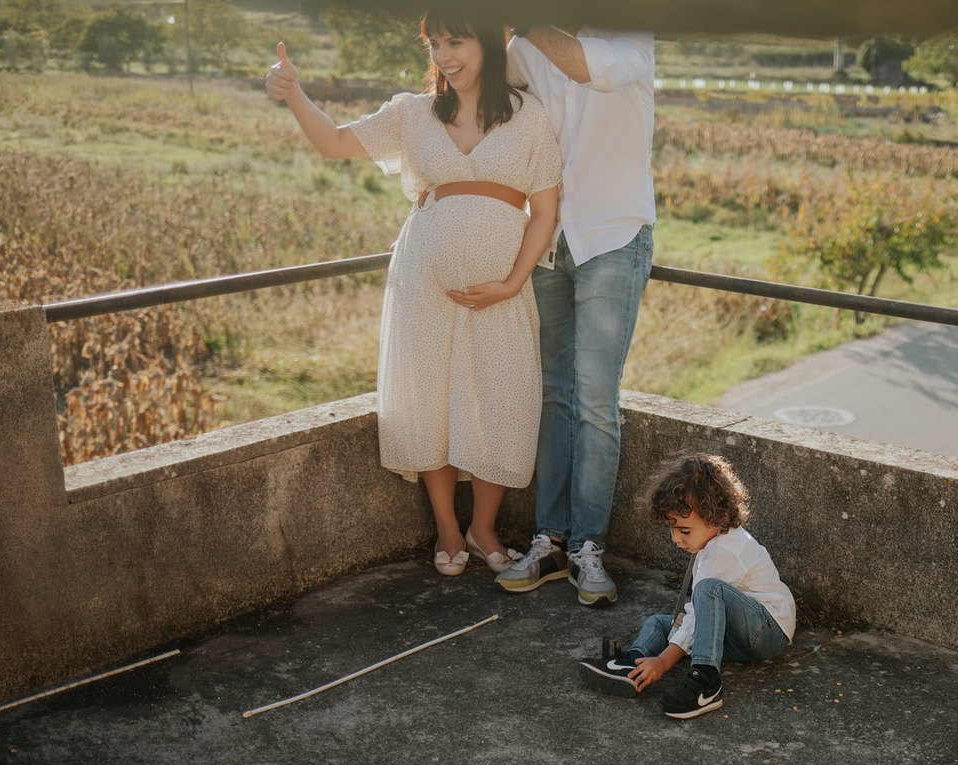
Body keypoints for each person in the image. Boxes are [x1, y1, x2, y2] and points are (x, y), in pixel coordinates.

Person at [265, 13, 561, 577]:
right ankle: (449, 528)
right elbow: (332, 143)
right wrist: (295, 92)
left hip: (502, 290)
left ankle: (482, 528)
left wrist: (512, 282)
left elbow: (544, 211)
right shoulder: (413, 113)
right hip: (424, 282)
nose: (445, 54)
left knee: (502, 396)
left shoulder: (530, 118)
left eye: (457, 41)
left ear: (491, 43)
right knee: (431, 397)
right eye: (435, 43)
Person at [494, 26, 656, 607]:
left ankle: (589, 547)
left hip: (614, 235)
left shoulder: (632, 36)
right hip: (551, 239)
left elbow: (593, 68)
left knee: (593, 397)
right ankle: (550, 541)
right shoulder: (522, 50)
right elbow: (479, 94)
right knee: (554, 393)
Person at [578, 454, 796, 719]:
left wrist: (665, 661)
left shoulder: (726, 550)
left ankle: (705, 682)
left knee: (707, 591)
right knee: (660, 623)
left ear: (716, 517)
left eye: (684, 530)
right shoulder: (709, 541)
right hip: (736, 634)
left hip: (767, 630)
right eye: (671, 529)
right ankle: (632, 665)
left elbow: (698, 614)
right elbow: (698, 618)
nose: (675, 538)